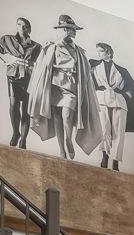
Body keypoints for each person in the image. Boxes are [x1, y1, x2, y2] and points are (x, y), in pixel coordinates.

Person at [26, 14, 102, 161]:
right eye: (71, 29)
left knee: (67, 115)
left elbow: (85, 72)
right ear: (64, 30)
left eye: (74, 29)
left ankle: (68, 140)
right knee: (57, 119)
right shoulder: (51, 47)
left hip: (71, 87)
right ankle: (61, 151)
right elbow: (41, 68)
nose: (74, 32)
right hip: (54, 86)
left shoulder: (79, 51)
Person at [89, 42, 134, 171]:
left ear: (108, 52)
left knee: (118, 132)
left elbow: (133, 88)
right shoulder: (93, 66)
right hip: (101, 98)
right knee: (103, 128)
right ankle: (105, 156)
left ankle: (116, 162)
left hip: (118, 101)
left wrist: (126, 95)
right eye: (98, 51)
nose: (98, 53)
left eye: (101, 51)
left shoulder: (122, 70)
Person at [0, 18, 41, 149]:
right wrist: (4, 61)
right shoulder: (7, 39)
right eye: (20, 25)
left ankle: (23, 140)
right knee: (13, 106)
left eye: (25, 26)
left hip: (29, 79)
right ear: (16, 26)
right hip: (13, 76)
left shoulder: (36, 46)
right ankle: (15, 132)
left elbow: (43, 63)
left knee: (26, 110)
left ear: (29, 29)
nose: (22, 28)